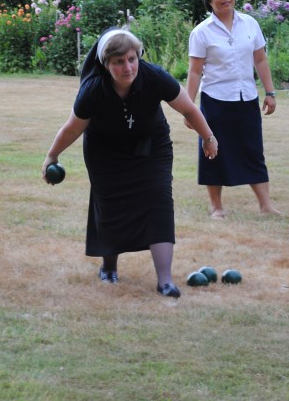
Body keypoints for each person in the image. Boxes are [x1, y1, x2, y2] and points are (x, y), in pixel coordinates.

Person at [42, 28, 218, 298]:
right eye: (119, 61)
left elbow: (188, 109)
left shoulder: (154, 76)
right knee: (111, 204)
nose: (128, 67)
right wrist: (52, 156)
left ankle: (165, 281)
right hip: (105, 150)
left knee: (159, 199)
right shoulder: (93, 90)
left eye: (132, 59)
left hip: (152, 145)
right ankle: (109, 267)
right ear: (106, 64)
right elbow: (72, 128)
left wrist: (208, 137)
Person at [185, 0, 280, 219]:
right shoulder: (201, 32)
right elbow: (195, 72)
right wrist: (188, 108)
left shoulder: (250, 24)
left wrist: (269, 92)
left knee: (253, 151)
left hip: (246, 98)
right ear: (209, 0)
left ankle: (266, 205)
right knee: (212, 153)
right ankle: (216, 207)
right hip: (215, 100)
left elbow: (260, 59)